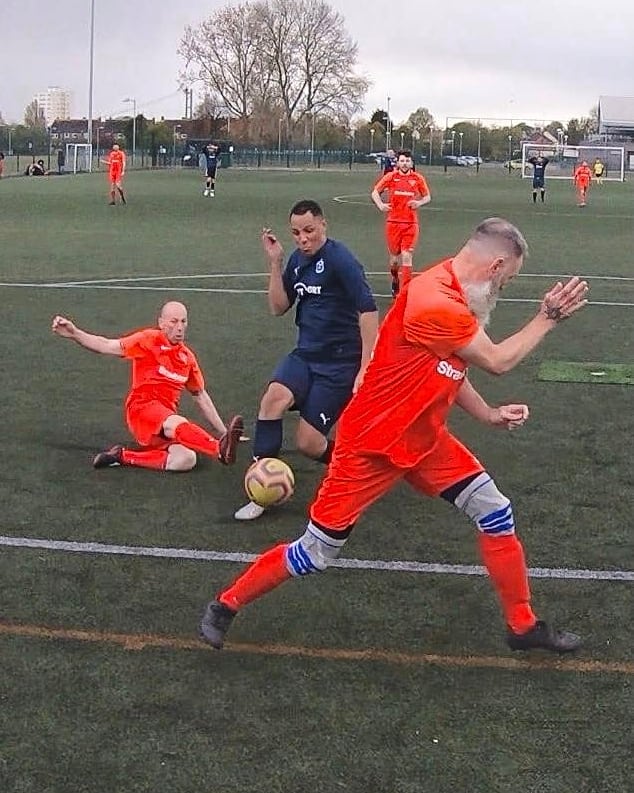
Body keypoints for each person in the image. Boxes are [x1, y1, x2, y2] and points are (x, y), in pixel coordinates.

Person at [200, 217, 589, 655]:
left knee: (494, 510)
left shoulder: (451, 292)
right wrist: (547, 317)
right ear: (495, 266)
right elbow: (496, 360)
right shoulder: (435, 301)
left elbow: (450, 368)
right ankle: (225, 604)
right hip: (370, 446)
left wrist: (488, 414)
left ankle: (522, 625)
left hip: (424, 439)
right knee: (314, 555)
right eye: (507, 280)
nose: (504, 290)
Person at [234, 199, 379, 521]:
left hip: (340, 364)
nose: (303, 238)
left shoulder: (342, 260)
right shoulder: (298, 260)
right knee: (272, 399)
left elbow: (368, 311)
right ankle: (261, 489)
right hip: (305, 355)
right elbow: (277, 307)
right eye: (296, 233)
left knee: (310, 444)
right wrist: (275, 262)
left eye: (309, 231)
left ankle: (350, 469)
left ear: (324, 225)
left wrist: (366, 367)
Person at [51, 301, 244, 473]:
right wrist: (75, 334)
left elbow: (201, 396)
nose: (179, 327)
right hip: (142, 409)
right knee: (176, 422)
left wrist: (224, 431)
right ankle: (218, 449)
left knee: (185, 459)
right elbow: (106, 345)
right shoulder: (147, 340)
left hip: (164, 424)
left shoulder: (187, 358)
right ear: (161, 323)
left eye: (183, 322)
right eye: (173, 321)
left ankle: (122, 456)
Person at [371, 149, 431, 298]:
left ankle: (405, 292)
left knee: (407, 256)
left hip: (411, 224)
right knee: (394, 260)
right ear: (397, 162)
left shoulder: (417, 178)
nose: (405, 163)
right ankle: (395, 278)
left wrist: (419, 202)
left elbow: (427, 196)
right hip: (393, 223)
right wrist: (381, 205)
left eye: (407, 161)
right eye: (402, 161)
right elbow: (375, 192)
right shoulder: (391, 177)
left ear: (411, 163)